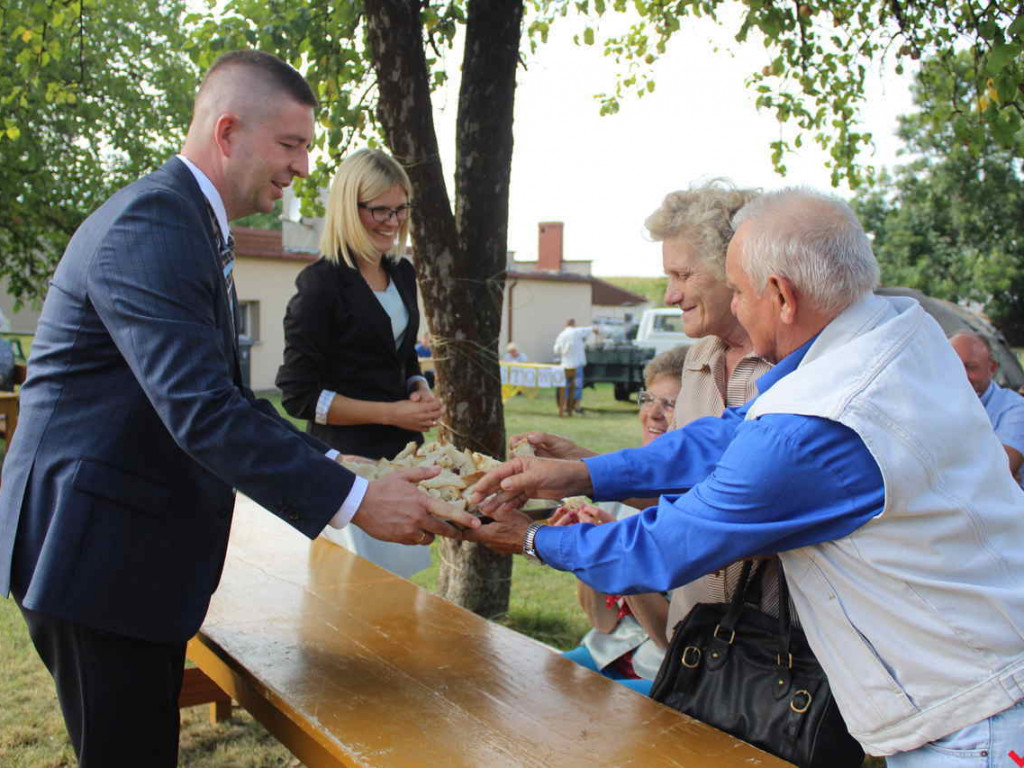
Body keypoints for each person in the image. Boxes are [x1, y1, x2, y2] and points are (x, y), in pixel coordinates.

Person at [0, 51, 478, 768]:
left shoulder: (188, 221)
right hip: (94, 555)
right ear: (227, 132)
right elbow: (199, 411)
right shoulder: (155, 223)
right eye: (291, 145)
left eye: (308, 147)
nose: (303, 167)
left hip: (122, 554)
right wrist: (355, 499)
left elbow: (227, 399)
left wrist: (339, 461)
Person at [467, 188, 1024, 763]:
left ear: (782, 294)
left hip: (972, 716)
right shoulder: (894, 333)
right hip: (983, 676)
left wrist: (527, 537)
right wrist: (580, 473)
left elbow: (663, 546)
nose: (731, 307)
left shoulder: (817, 423)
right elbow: (729, 434)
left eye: (737, 290)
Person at [275, 148, 440, 578]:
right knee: (350, 597)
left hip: (402, 464)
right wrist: (393, 413)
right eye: (380, 210)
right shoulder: (320, 284)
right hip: (347, 473)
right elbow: (298, 396)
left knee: (403, 597)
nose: (393, 221)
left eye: (400, 209)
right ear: (350, 209)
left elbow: (400, 355)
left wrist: (417, 386)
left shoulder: (401, 272)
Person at [515, 347, 687, 694]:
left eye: (669, 404)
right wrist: (585, 552)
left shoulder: (696, 506)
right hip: (607, 648)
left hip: (667, 671)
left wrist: (621, 559)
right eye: (648, 399)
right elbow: (602, 622)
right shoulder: (617, 487)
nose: (653, 414)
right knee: (525, 685)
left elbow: (669, 641)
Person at [949, 331, 1024, 485]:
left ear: (992, 368)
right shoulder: (934, 402)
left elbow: (997, 471)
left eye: (970, 367)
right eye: (953, 365)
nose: (960, 374)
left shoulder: (1015, 409)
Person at [552, 318, 592, 416]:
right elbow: (589, 329)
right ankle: (576, 406)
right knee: (577, 386)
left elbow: (556, 350)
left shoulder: (561, 335)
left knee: (565, 386)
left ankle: (565, 405)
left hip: (565, 365)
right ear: (574, 324)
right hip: (577, 364)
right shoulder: (577, 332)